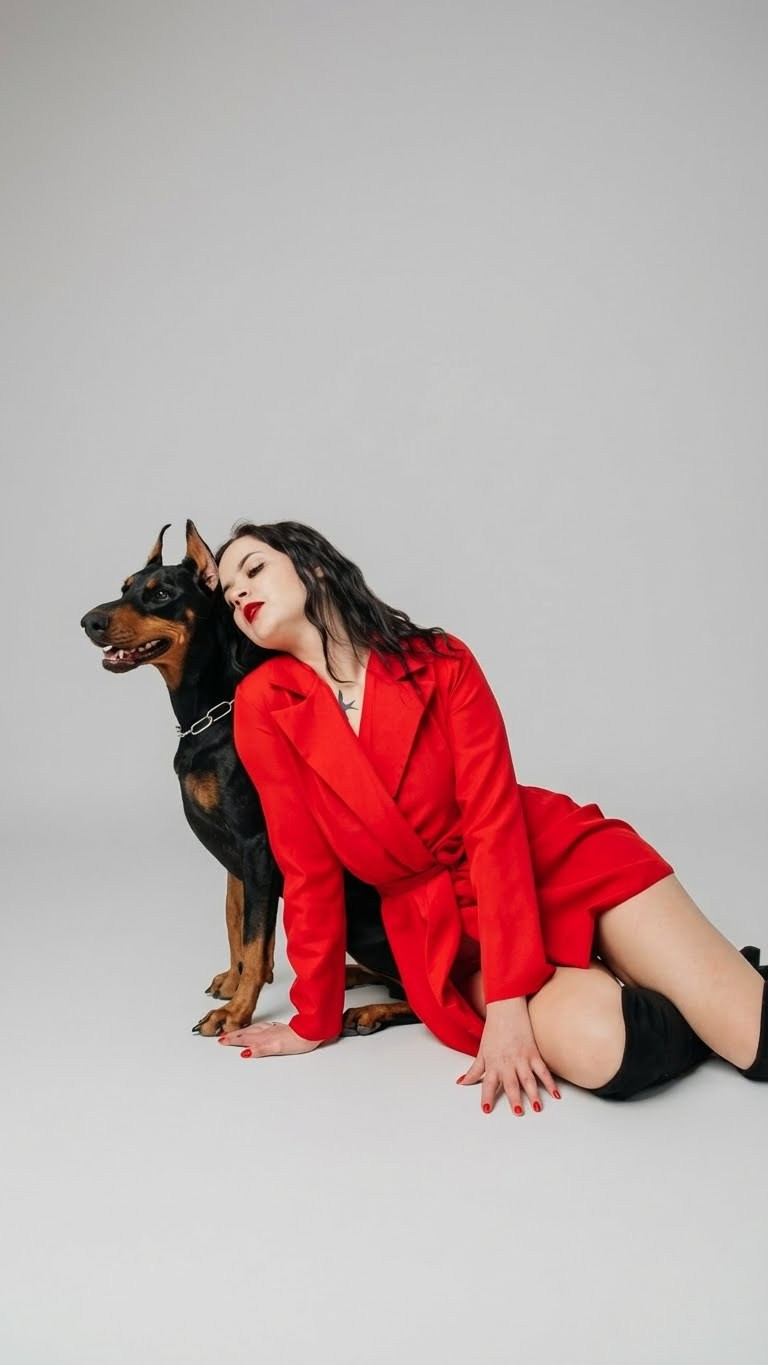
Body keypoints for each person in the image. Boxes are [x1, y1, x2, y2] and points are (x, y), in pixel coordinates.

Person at [212, 520, 767, 1116]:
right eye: (229, 595)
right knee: (617, 1054)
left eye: (254, 569)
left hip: (550, 857)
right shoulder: (263, 703)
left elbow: (494, 827)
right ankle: (685, 990)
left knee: (755, 1041)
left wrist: (508, 1002)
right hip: (447, 930)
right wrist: (313, 1019)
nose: (239, 593)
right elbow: (307, 869)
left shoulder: (440, 660)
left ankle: (708, 986)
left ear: (315, 567)